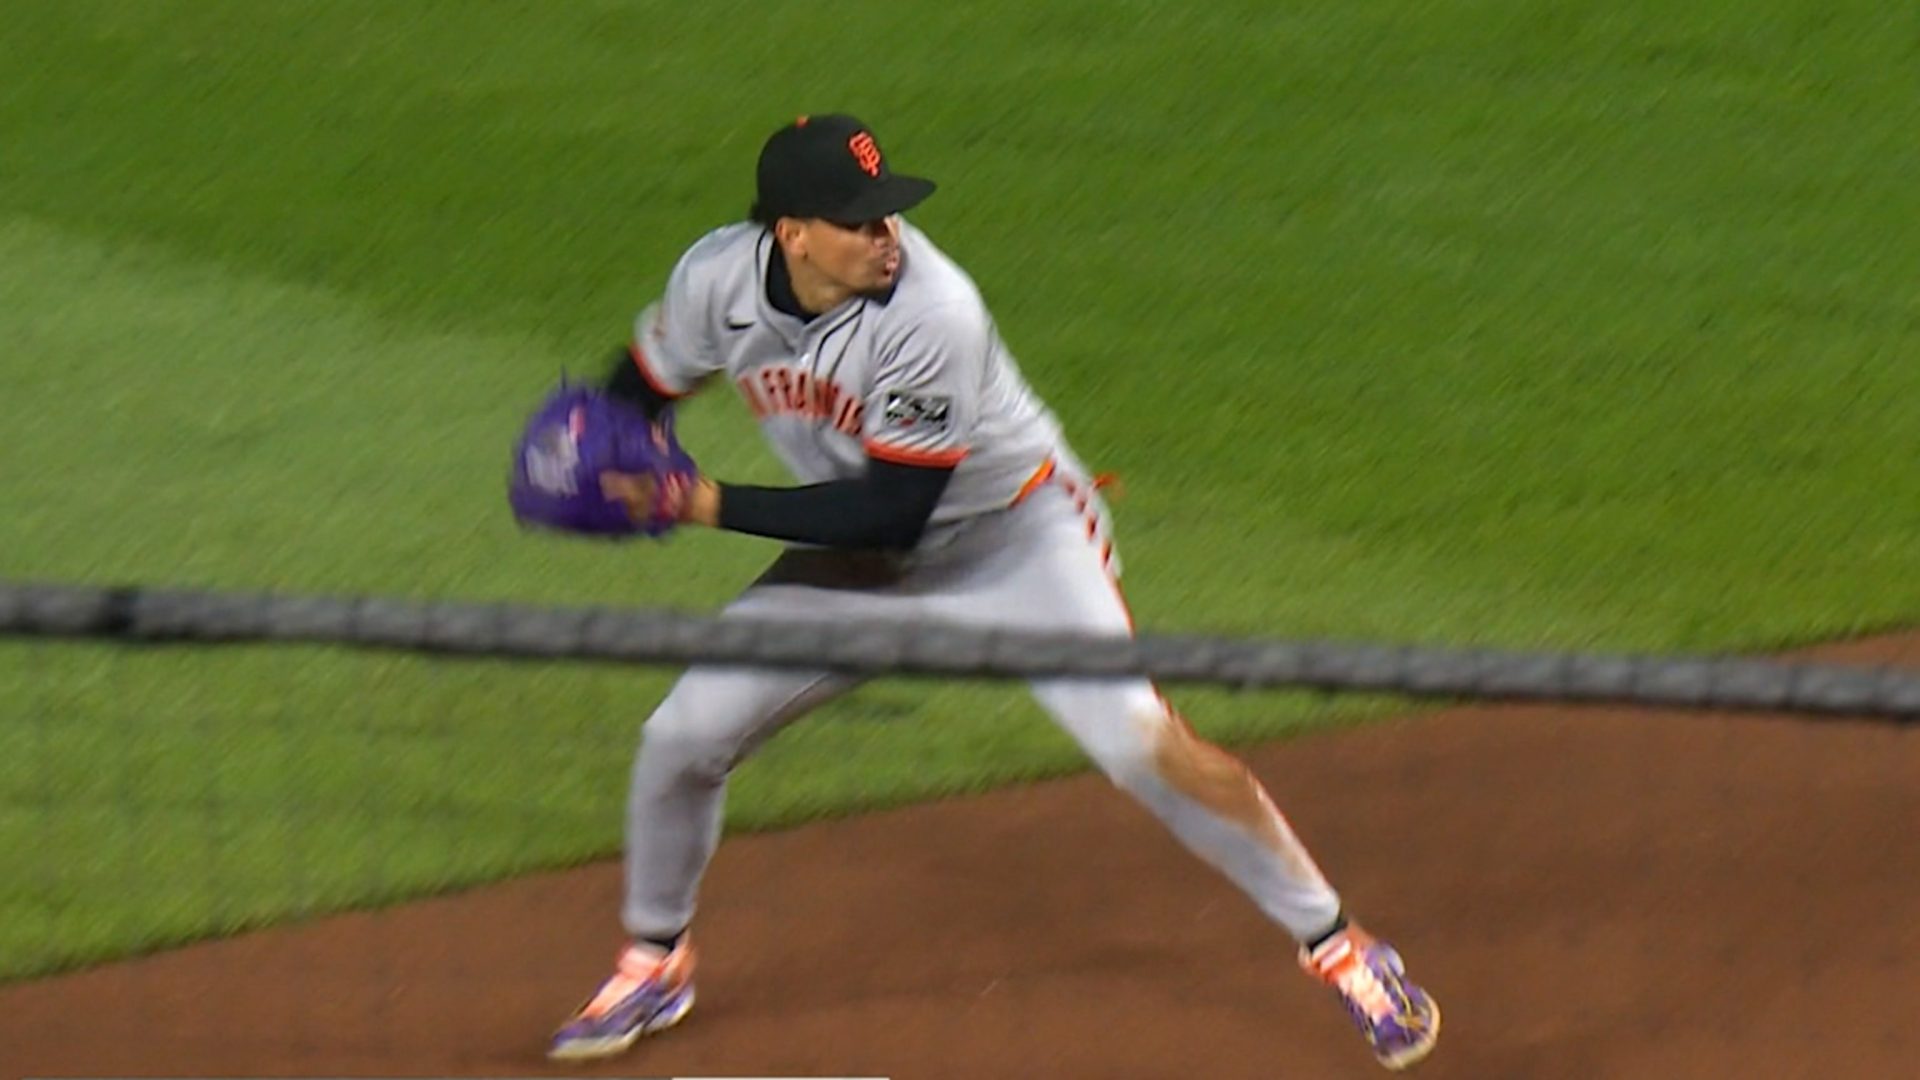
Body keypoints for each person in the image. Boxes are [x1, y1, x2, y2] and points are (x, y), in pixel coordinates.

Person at [544, 113, 1440, 1071]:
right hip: (858, 566)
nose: (887, 236)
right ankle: (655, 961)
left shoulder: (935, 310)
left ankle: (1341, 946)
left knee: (1142, 745)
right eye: (859, 222)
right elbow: (642, 385)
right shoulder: (715, 280)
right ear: (791, 234)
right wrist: (599, 450)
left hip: (1016, 541)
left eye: (888, 214)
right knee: (682, 737)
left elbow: (893, 512)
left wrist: (698, 501)